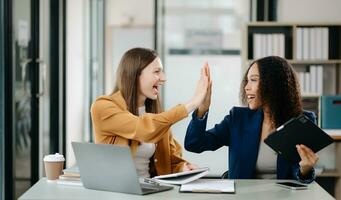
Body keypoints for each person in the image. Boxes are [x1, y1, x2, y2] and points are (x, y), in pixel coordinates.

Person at [185, 56, 319, 183]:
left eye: (253, 80)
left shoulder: (301, 121)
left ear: (273, 84)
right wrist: (202, 108)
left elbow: (300, 177)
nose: (246, 87)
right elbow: (194, 143)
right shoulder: (238, 119)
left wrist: (305, 169)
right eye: (247, 81)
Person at [91, 47, 209, 178]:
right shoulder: (103, 107)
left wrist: (182, 168)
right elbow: (144, 129)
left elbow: (170, 160)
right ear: (135, 75)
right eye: (157, 72)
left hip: (151, 192)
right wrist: (193, 103)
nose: (163, 78)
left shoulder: (157, 115)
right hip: (118, 194)